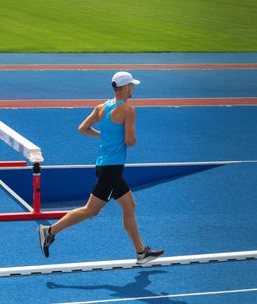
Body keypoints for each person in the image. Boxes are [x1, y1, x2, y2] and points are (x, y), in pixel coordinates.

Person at [38, 71, 164, 264]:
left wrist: (104, 137)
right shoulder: (128, 110)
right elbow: (130, 141)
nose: (134, 89)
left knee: (130, 205)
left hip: (104, 165)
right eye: (132, 85)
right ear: (127, 87)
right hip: (112, 169)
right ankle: (50, 231)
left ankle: (141, 252)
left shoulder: (101, 107)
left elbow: (83, 128)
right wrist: (122, 138)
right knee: (91, 210)